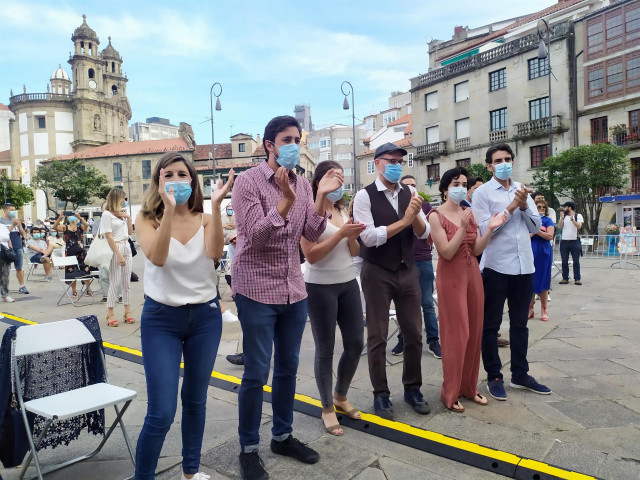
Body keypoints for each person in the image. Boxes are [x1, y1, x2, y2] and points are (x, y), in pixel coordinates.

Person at [231, 115, 342, 480]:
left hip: (293, 288)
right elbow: (254, 237)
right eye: (287, 139)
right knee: (256, 371)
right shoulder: (247, 183)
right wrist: (285, 202)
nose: (294, 145)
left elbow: (310, 228)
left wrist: (321, 195)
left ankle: (282, 435)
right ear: (269, 146)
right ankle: (248, 448)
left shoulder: (303, 185)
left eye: (297, 138)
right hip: (256, 289)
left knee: (288, 368)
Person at [134, 152, 233, 480]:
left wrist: (216, 208)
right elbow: (159, 258)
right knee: (161, 412)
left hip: (205, 318)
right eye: (169, 174)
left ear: (193, 181)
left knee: (195, 400)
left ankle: (190, 472)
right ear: (158, 181)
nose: (176, 180)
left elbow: (216, 253)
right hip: (161, 319)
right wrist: (169, 212)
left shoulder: (205, 218)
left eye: (182, 174)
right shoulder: (146, 218)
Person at [353, 142, 431, 420]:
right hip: (377, 271)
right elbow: (369, 237)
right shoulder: (364, 197)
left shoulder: (409, 192)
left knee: (414, 332)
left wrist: (416, 218)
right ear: (377, 163)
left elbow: (423, 233)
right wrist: (406, 219)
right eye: (391, 160)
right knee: (377, 335)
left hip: (407, 269)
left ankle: (412, 388)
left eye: (400, 160)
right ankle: (381, 394)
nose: (397, 165)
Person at [473, 143, 551, 401]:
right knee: (490, 325)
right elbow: (486, 228)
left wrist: (524, 205)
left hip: (524, 266)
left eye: (507, 159)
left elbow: (536, 225)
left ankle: (520, 373)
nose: (503, 163)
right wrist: (509, 208)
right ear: (490, 165)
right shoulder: (483, 193)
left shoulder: (522, 191)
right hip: (496, 266)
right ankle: (494, 376)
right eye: (498, 160)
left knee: (520, 324)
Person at [428, 167, 506, 412]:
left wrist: (491, 228)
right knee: (457, 334)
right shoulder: (434, 215)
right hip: (451, 276)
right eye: (455, 184)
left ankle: (469, 387)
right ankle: (450, 392)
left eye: (463, 183)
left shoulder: (468, 212)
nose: (461, 187)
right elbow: (447, 252)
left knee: (474, 332)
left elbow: (476, 250)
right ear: (444, 189)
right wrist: (461, 228)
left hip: (473, 273)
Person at [301, 160, 365, 436]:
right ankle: (327, 407)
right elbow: (311, 256)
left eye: (341, 176)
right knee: (325, 348)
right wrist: (341, 232)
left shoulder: (341, 209)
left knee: (355, 344)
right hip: (320, 287)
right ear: (318, 182)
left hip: (348, 282)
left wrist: (351, 235)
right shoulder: (309, 212)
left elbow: (354, 251)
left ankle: (341, 395)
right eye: (332, 176)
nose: (338, 182)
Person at [391, 175, 441, 359]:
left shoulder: (426, 206)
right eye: (407, 186)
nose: (412, 189)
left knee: (427, 303)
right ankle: (403, 338)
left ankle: (433, 341)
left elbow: (430, 231)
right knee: (403, 305)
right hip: (403, 262)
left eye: (414, 185)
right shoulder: (396, 207)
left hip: (423, 260)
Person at [101, 189, 134, 327]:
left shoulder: (121, 214)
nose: (124, 200)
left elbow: (131, 233)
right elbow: (108, 236)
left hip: (126, 245)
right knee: (114, 281)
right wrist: (119, 254)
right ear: (117, 198)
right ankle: (110, 313)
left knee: (127, 281)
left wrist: (128, 218)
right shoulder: (107, 215)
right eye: (123, 198)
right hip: (116, 248)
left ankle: (127, 312)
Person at [55, 211, 95, 298]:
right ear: (68, 218)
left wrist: (80, 217)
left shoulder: (80, 227)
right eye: (71, 216)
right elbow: (55, 227)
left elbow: (87, 226)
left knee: (86, 269)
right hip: (70, 252)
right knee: (71, 270)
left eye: (74, 216)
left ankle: (88, 290)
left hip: (81, 252)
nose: (73, 218)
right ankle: (74, 292)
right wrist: (60, 217)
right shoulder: (65, 227)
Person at [530, 199, 555, 321]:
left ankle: (544, 310)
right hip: (531, 252)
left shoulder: (548, 220)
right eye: (539, 207)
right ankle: (530, 309)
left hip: (544, 253)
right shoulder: (529, 219)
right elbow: (525, 235)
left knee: (544, 280)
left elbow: (550, 235)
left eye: (543, 208)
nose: (541, 210)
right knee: (530, 280)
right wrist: (538, 232)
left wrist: (536, 231)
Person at [0, 204, 28, 294]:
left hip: (17, 246)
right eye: (11, 210)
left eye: (14, 210)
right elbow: (4, 233)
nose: (13, 212)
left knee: (19, 267)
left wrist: (19, 226)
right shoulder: (1, 221)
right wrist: (12, 225)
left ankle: (22, 286)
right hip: (5, 248)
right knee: (4, 269)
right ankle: (4, 289)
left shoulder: (16, 220)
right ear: (5, 210)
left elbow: (23, 234)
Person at [557, 201, 583, 285]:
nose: (563, 209)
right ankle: (565, 278)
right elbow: (559, 227)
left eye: (565, 207)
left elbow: (579, 226)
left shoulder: (578, 216)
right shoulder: (563, 217)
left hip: (575, 241)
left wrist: (572, 220)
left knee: (576, 261)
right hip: (564, 241)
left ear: (569, 208)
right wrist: (561, 218)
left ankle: (577, 278)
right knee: (564, 261)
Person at [0, 221, 15, 302]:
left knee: (5, 274)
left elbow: (8, 240)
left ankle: (5, 294)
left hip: (4, 253)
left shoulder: (2, 226)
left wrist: (11, 249)